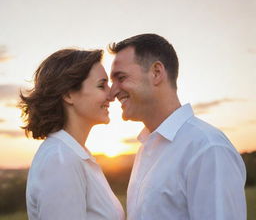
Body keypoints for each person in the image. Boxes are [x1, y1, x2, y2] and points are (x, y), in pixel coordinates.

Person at [109, 34, 246, 220]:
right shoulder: (145, 149)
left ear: (156, 73)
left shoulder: (207, 149)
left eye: (121, 77)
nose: (112, 91)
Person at [20, 48, 125, 220]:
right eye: (101, 85)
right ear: (69, 95)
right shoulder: (60, 160)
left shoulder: (74, 154)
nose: (112, 94)